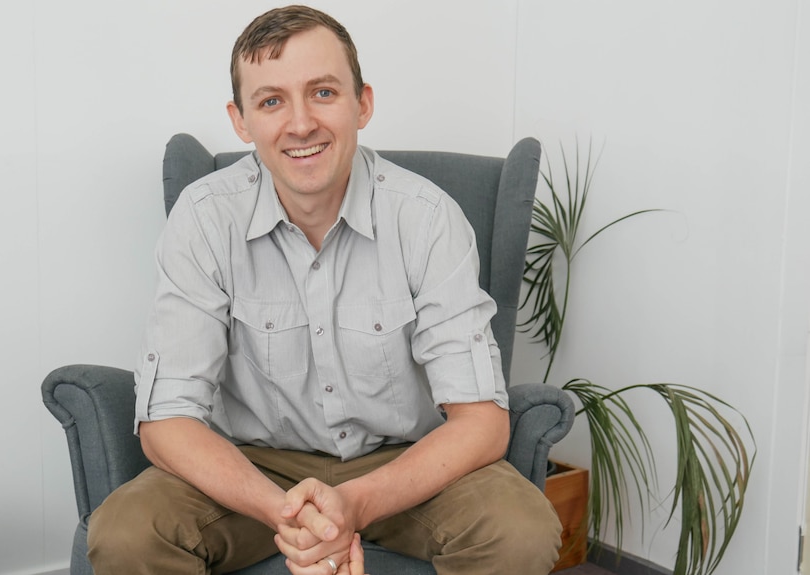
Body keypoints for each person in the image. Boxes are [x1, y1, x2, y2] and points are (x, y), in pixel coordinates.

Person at [87, 5, 562, 575]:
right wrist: (286, 512)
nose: (301, 123)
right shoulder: (204, 218)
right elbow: (167, 420)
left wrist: (355, 504)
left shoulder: (428, 218)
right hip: (251, 472)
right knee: (126, 534)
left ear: (362, 102)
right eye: (271, 101)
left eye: (323, 93)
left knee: (520, 532)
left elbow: (481, 422)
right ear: (241, 120)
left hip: (405, 468)